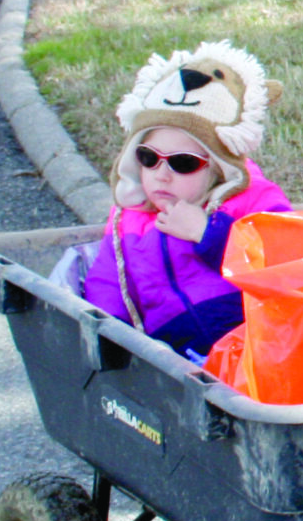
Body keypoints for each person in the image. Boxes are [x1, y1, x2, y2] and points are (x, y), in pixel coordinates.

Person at [81, 41, 291, 361]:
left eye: (182, 163)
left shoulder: (250, 200)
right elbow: (108, 281)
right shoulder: (129, 220)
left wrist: (210, 234)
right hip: (170, 350)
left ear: (217, 166)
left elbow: (280, 261)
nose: (161, 175)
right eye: (148, 158)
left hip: (252, 339)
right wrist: (105, 332)